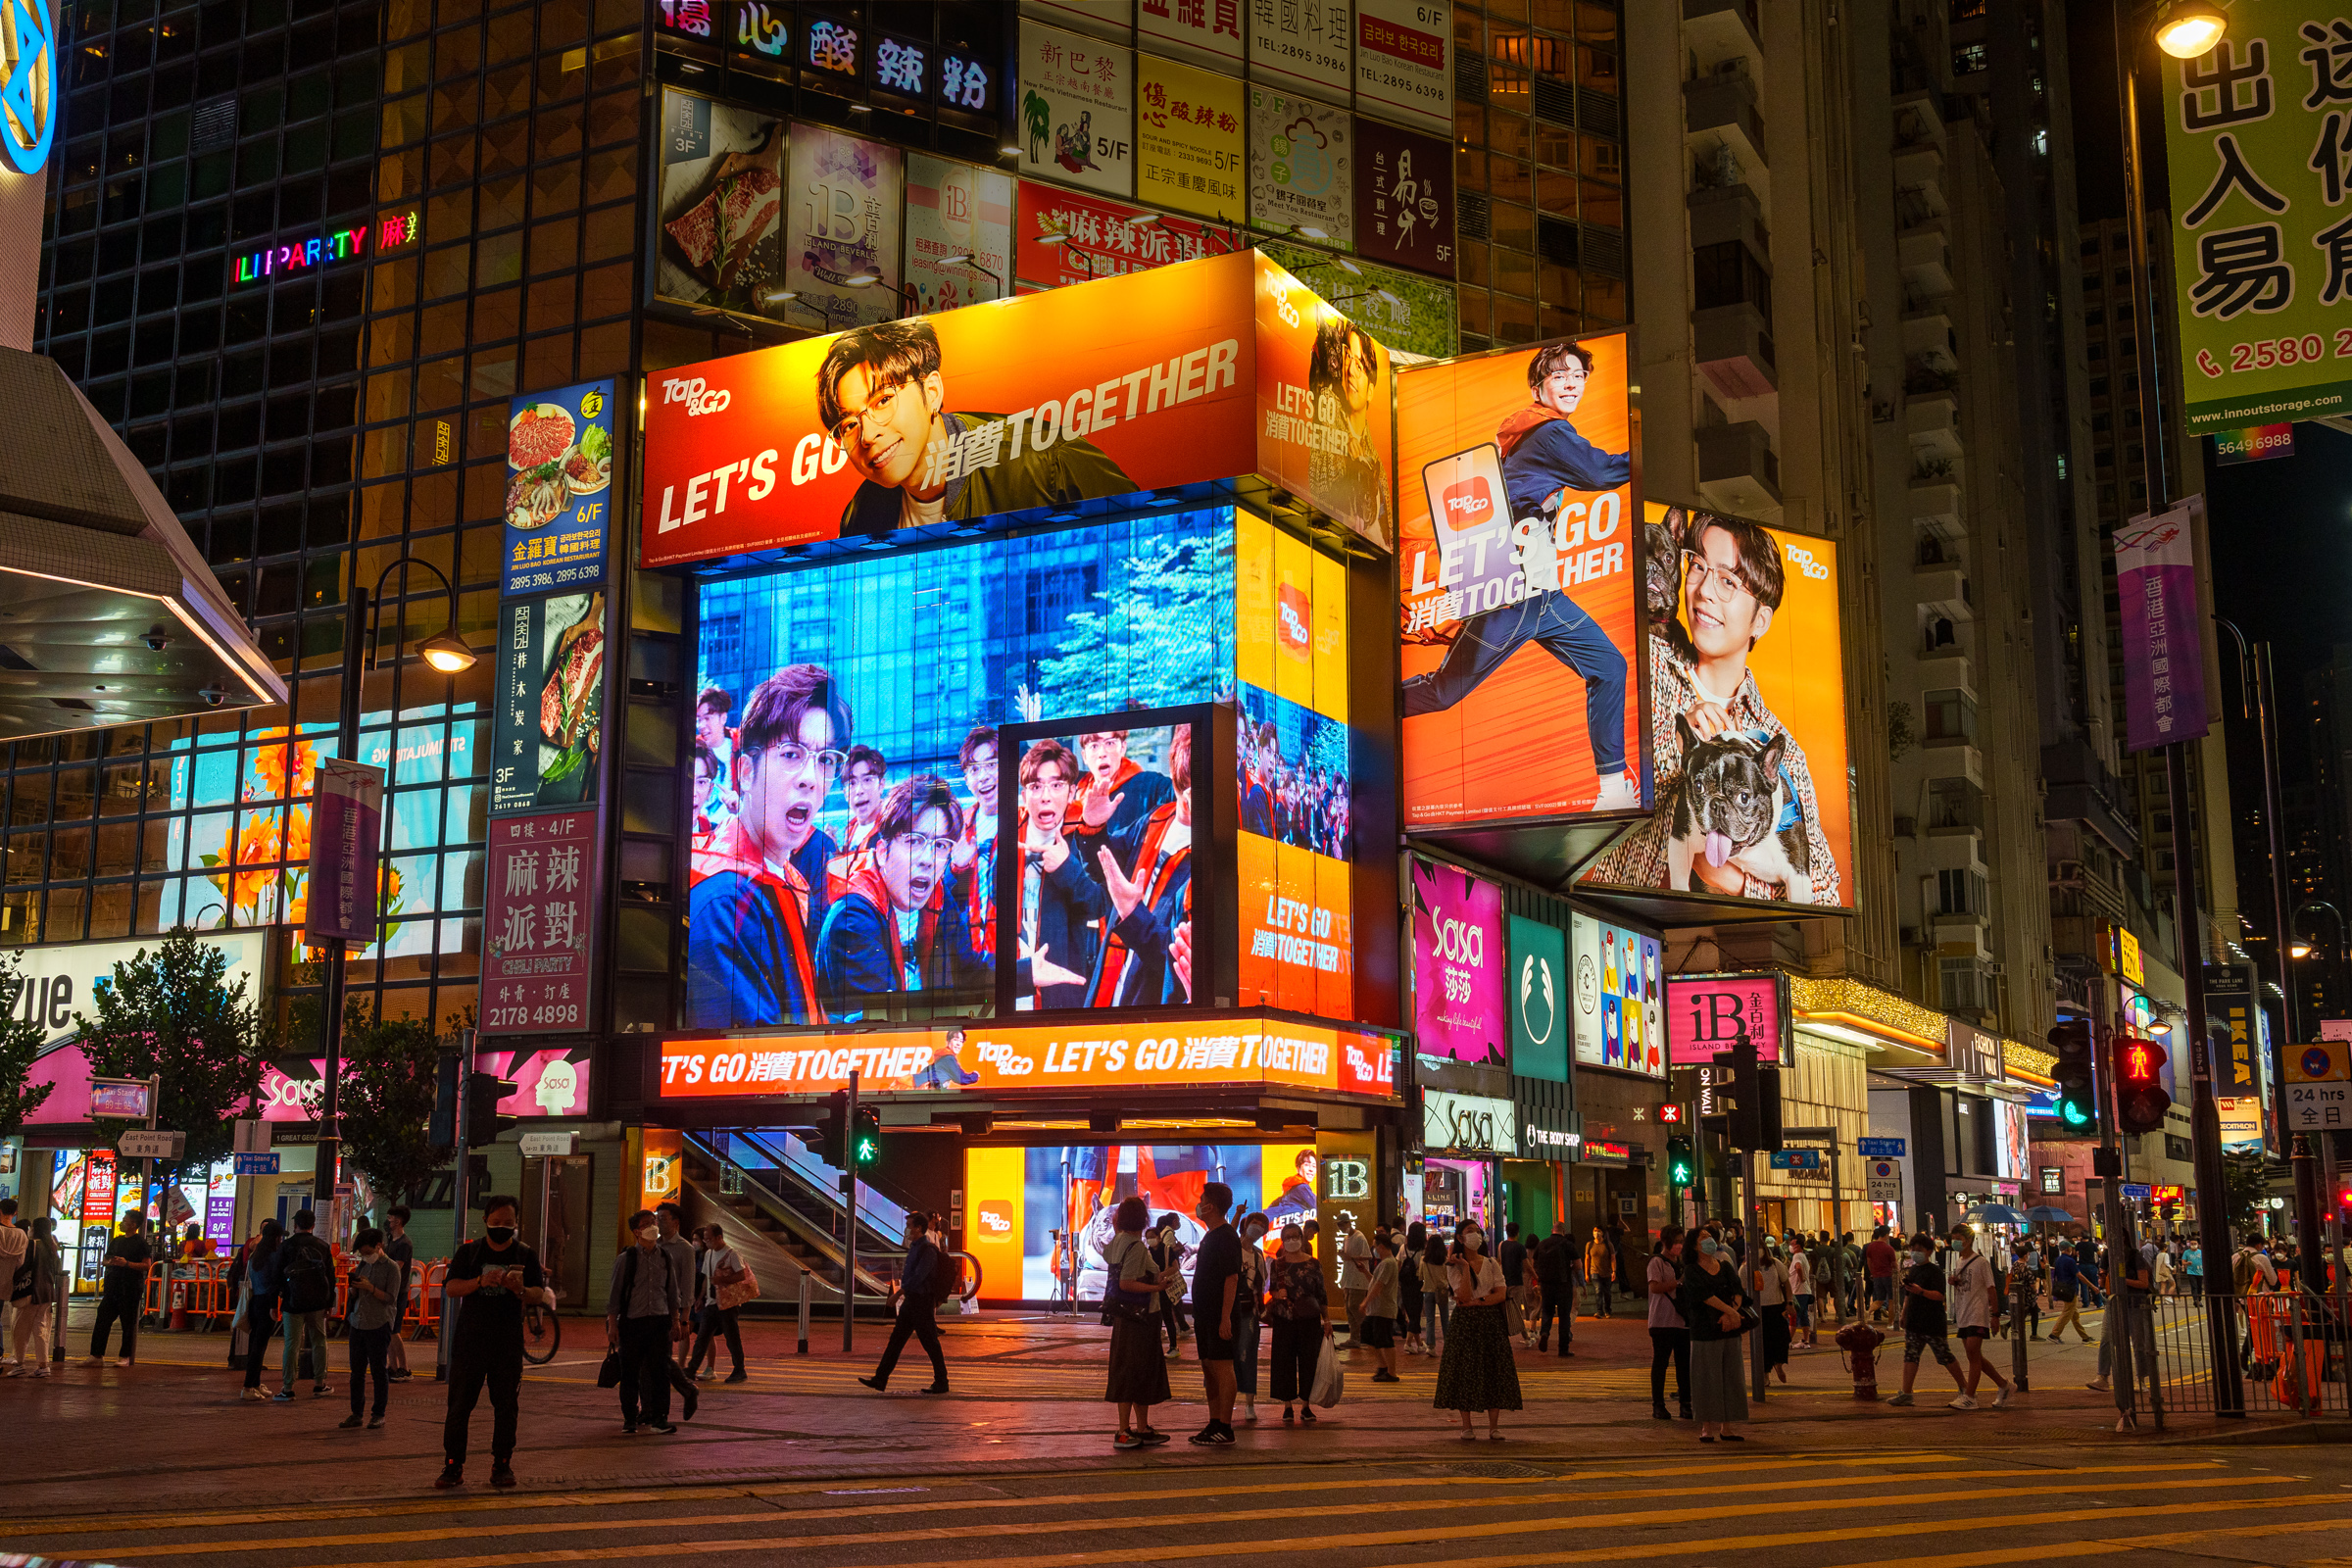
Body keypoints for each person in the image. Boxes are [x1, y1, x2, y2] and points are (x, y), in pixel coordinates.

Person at [1403, 342, 1638, 811]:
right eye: (1560, 376)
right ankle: (1364, 709)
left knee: (1609, 667)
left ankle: (1613, 790)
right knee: (1445, 691)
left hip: (1540, 596)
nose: (1571, 383)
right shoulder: (1549, 434)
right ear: (1539, 387)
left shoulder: (1534, 433)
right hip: (1511, 597)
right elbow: (1603, 471)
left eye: (1578, 376)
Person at [1587, 506, 1842, 902]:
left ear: (1760, 621)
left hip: (1716, 947)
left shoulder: (1775, 745)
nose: (1704, 591)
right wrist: (1677, 746)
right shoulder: (1635, 663)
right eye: (1698, 567)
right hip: (1600, 918)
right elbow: (1600, 785)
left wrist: (1733, 881)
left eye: (1727, 581)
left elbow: (1824, 891)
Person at [818, 316, 1134, 535]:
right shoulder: (861, 515)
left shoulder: (1043, 462)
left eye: (883, 401)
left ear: (931, 392)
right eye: (848, 425)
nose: (868, 435)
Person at [688, 665, 853, 1027]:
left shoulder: (785, 877)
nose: (811, 778)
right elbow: (752, 1065)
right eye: (792, 754)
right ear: (746, 772)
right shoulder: (725, 901)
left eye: (826, 760)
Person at [817, 774, 986, 1008]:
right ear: (882, 852)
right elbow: (876, 1021)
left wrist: (1029, 972)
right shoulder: (852, 918)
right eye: (914, 841)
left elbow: (968, 970)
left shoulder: (939, 898)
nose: (928, 860)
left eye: (940, 845)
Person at [440, 1196, 550, 1489]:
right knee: (460, 1406)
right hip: (470, 1343)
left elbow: (540, 1294)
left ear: (516, 1224)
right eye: (497, 1222)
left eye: (508, 1223)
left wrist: (521, 1290)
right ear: (486, 1220)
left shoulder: (525, 1253)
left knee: (506, 1406)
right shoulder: (469, 1252)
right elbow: (450, 1288)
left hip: (507, 1344)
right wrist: (480, 1282)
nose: (502, 1227)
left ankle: (502, 1464)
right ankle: (452, 1465)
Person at [1014, 739, 1109, 1008]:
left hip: (1059, 995)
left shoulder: (1085, 837)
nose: (1045, 796)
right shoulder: (1006, 839)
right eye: (1036, 786)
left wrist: (1067, 869)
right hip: (1008, 989)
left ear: (1071, 793)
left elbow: (1100, 905)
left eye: (1056, 785)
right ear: (1024, 795)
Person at [1433, 1219, 1521, 1441]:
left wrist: (1480, 1301)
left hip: (1491, 1323)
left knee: (1494, 1370)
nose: (1475, 1235)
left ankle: (1494, 1426)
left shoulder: (1491, 1263)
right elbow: (1462, 1297)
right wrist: (1465, 1268)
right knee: (1466, 1372)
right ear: (1460, 1238)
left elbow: (1501, 1293)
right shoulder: (1453, 1267)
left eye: (1477, 1231)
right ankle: (1466, 1425)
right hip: (1466, 1325)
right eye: (1469, 1231)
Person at [1100, 1196, 1172, 1448]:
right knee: (1136, 1372)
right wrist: (1157, 1287)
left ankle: (1139, 1428)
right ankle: (1125, 1430)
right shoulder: (1137, 1247)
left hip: (1124, 1317)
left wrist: (1162, 1276)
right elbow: (1126, 1283)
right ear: (1143, 1219)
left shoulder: (1116, 1242)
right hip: (1140, 1318)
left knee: (1130, 1371)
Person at [608, 1209, 685, 1435]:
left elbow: (672, 1291)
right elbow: (615, 1294)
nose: (653, 1226)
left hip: (660, 1322)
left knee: (660, 1371)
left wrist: (676, 1319)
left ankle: (660, 1418)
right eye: (647, 1224)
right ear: (636, 1231)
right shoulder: (626, 1259)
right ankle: (630, 1418)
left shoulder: (665, 1256)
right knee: (630, 1372)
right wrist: (612, 1324)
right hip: (632, 1323)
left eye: (654, 1222)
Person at [861, 1211, 951, 1395]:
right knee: (896, 1340)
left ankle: (942, 1381)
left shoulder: (927, 1249)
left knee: (930, 1343)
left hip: (922, 1302)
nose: (907, 1229)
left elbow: (919, 1276)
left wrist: (898, 1294)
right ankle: (880, 1378)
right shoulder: (916, 1247)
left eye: (910, 1226)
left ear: (918, 1228)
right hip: (912, 1303)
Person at [1186, 1182, 1243, 1446]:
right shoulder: (1211, 1235)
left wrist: (1225, 1318)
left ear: (1210, 1205)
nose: (1198, 1204)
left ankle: (1225, 1426)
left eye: (1201, 1199)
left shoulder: (1227, 1237)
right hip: (1204, 1316)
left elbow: (1231, 1278)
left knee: (1222, 1368)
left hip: (1220, 1316)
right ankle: (1213, 1422)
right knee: (1209, 1368)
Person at [1679, 1233, 1749, 1442]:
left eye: (1710, 1236)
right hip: (1705, 1331)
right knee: (1706, 1379)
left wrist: (1732, 1313)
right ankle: (1706, 1427)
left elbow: (1738, 1290)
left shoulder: (1725, 1266)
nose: (1709, 1240)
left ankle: (1726, 1427)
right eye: (1703, 1237)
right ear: (1694, 1246)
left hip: (1730, 1329)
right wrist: (1730, 1312)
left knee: (1731, 1377)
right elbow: (1704, 1297)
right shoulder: (1691, 1271)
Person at [1886, 1234, 1967, 1407]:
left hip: (1932, 1322)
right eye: (1912, 1250)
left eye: (1919, 1250)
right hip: (1914, 1320)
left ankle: (1965, 1388)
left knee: (1944, 1355)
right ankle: (1906, 1393)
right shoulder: (1913, 1270)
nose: (1915, 1253)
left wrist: (1921, 1291)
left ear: (1929, 1251)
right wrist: (1904, 1314)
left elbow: (1939, 1296)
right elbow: (1908, 1295)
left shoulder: (1935, 1271)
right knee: (1910, 1355)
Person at [1266, 1221, 1331, 1425]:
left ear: (1302, 1239)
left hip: (1309, 1320)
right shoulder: (1278, 1264)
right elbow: (1272, 1290)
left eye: (1296, 1236)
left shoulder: (1313, 1264)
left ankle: (1306, 1405)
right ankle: (1287, 1406)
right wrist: (1277, 1293)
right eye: (1288, 1237)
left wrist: (1327, 1319)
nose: (1292, 1240)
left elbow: (1321, 1293)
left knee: (1309, 1361)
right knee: (1283, 1361)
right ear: (1283, 1241)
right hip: (1284, 1319)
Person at [340, 1226, 401, 1430]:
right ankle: (356, 1413)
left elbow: (391, 1299)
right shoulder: (362, 1265)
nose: (365, 1256)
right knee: (356, 1371)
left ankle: (378, 1414)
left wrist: (371, 1288)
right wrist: (353, 1290)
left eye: (368, 1252)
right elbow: (355, 1294)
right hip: (358, 1321)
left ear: (379, 1246)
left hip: (379, 1323)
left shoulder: (391, 1268)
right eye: (362, 1254)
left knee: (378, 1371)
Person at [1946, 1226, 2013, 1410]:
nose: (1955, 1242)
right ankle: (2003, 1385)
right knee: (1974, 1356)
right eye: (1953, 1238)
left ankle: (1970, 1396)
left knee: (1973, 1355)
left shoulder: (1981, 1262)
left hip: (1977, 1313)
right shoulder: (1960, 1261)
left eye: (1958, 1238)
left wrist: (1995, 1315)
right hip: (1963, 1314)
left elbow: (1991, 1288)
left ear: (1968, 1239)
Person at [653, 1202, 703, 1421]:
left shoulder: (684, 1249)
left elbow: (687, 1285)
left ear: (676, 1222)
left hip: (669, 1311)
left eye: (663, 1218)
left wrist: (683, 1319)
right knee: (652, 1359)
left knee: (659, 1358)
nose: (659, 1221)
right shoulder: (652, 1244)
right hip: (650, 1308)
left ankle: (682, 1391)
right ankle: (682, 1391)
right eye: (657, 1217)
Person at [85, 1213, 155, 1369]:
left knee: (128, 1323)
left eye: (125, 1220)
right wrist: (110, 1262)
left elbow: (146, 1265)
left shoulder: (141, 1243)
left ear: (133, 1224)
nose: (122, 1223)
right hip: (112, 1287)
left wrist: (127, 1263)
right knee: (102, 1319)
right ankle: (96, 1355)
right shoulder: (116, 1241)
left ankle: (125, 1356)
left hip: (130, 1288)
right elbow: (105, 1259)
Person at [689, 1223, 750, 1383]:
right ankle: (691, 1369)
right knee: (702, 1337)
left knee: (732, 1338)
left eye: (709, 1239)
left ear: (719, 1237)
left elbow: (741, 1275)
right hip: (711, 1303)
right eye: (705, 1239)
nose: (706, 1242)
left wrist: (722, 1279)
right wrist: (701, 1298)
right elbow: (706, 1279)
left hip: (728, 1304)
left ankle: (739, 1370)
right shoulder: (708, 1254)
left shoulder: (732, 1254)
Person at [1646, 1225, 1690, 1420]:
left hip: (1682, 1321)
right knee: (1661, 1364)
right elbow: (1654, 1287)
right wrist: (1678, 1282)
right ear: (1666, 1242)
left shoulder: (1682, 1262)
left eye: (1682, 1241)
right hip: (1662, 1321)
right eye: (1677, 1242)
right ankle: (1658, 1405)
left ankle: (1686, 1404)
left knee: (1684, 1365)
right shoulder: (1657, 1262)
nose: (1679, 1245)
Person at [238, 1218, 284, 1401]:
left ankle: (255, 1384)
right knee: (260, 1346)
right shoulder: (273, 1257)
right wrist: (275, 1307)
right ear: (276, 1238)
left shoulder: (255, 1256)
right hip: (266, 1302)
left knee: (256, 1344)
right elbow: (274, 1284)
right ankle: (248, 1386)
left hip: (255, 1301)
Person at [7, 1217, 60, 1376]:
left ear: (35, 1228)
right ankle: (43, 1366)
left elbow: (24, 1267)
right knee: (41, 1329)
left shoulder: (32, 1244)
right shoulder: (51, 1246)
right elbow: (57, 1268)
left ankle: (20, 1363)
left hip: (31, 1291)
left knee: (20, 1329)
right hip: (47, 1293)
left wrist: (11, 1278)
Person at [1234, 1212, 1269, 1421]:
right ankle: (1224, 1401)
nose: (1257, 1227)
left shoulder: (1258, 1255)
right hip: (1229, 1310)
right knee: (1227, 1357)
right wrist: (1237, 1214)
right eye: (1254, 1223)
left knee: (1248, 1357)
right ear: (1245, 1224)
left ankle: (1249, 1403)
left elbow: (1261, 1283)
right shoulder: (1231, 1248)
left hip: (1249, 1313)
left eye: (1261, 1225)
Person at [1360, 1230, 1403, 1383]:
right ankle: (1382, 1366)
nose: (1374, 1250)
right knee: (1370, 1337)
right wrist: (1365, 1271)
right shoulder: (1383, 1264)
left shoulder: (1388, 1263)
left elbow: (1378, 1286)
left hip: (1383, 1310)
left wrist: (1365, 1302)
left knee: (1385, 1340)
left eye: (1374, 1247)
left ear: (1381, 1246)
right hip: (1376, 1310)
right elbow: (1374, 1281)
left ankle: (1392, 1372)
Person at [383, 1204, 416, 1383]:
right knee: (389, 1329)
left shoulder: (404, 1243)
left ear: (399, 1220)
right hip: (392, 1291)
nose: (388, 1220)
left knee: (394, 1329)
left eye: (391, 1217)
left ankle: (404, 1368)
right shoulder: (391, 1241)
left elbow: (396, 1267)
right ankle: (393, 1366)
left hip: (399, 1291)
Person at [1148, 1213, 1189, 1355]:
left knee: (1167, 1316)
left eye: (1152, 1236)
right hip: (1152, 1289)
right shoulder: (1147, 1252)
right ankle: (1155, 1347)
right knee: (1154, 1317)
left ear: (1159, 1237)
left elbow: (1174, 1267)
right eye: (1148, 1237)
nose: (1150, 1240)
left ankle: (1173, 1346)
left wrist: (1161, 1275)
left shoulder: (1166, 1249)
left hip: (1164, 1287)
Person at [1751, 1243, 1791, 1384]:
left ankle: (1778, 1365)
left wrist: (1789, 1302)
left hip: (1776, 1307)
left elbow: (1786, 1283)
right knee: (1763, 1342)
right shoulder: (1747, 1267)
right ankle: (1765, 1373)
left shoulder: (1775, 1264)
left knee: (1782, 1338)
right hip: (1758, 1309)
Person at [1535, 1224, 1575, 1356]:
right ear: (1563, 1231)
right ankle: (1563, 1349)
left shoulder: (1542, 1244)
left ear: (1552, 1230)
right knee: (1564, 1317)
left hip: (1546, 1285)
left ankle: (1545, 1333)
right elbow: (1579, 1264)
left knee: (1547, 1312)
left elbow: (1535, 1262)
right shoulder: (1567, 1244)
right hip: (1563, 1284)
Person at [839, 744, 888, 851]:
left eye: (867, 780)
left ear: (881, 786)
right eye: (852, 783)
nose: (859, 790)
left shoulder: (892, 830)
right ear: (845, 794)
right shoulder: (850, 829)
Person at [1338, 1212, 1372, 1348]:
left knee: (1355, 1306)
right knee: (1348, 1307)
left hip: (1358, 1278)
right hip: (1348, 1278)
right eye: (1339, 1225)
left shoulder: (1359, 1237)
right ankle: (1354, 1337)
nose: (1341, 1227)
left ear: (1348, 1223)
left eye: (1342, 1224)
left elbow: (1367, 1256)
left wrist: (1350, 1257)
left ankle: (1365, 1334)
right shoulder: (1346, 1238)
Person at [1497, 1221, 1530, 1347]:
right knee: (1516, 1311)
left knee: (1505, 1310)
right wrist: (1536, 1276)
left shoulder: (1502, 1245)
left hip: (1504, 1283)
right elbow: (1526, 1265)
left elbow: (1499, 1262)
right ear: (1517, 1232)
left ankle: (1504, 1336)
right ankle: (1526, 1337)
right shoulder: (1520, 1247)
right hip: (1517, 1282)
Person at [1419, 1229, 1451, 1350]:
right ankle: (1448, 1344)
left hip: (1428, 1290)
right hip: (1442, 1290)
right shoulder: (1445, 1259)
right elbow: (1448, 1276)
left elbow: (1420, 1276)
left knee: (1430, 1320)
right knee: (1445, 1319)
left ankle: (1431, 1345)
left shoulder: (1424, 1260)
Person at [1396, 1220, 1425, 1355]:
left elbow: (1398, 1265)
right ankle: (1408, 1344)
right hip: (1418, 1283)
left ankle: (1419, 1343)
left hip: (1405, 1284)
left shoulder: (1403, 1248)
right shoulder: (1424, 1249)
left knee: (1412, 1313)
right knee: (1415, 1314)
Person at [1863, 1226, 1898, 1323]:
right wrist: (1899, 1274)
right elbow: (1894, 1264)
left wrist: (1873, 1273)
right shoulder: (1889, 1248)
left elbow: (1869, 1262)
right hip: (1888, 1275)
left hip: (1877, 1276)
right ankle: (1891, 1323)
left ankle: (1868, 1311)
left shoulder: (1870, 1247)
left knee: (1879, 1300)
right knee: (1892, 1300)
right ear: (1886, 1235)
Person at [1788, 1241, 1817, 1349]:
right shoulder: (1803, 1256)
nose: (1790, 1246)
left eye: (1792, 1244)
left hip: (1798, 1291)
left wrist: (1801, 1278)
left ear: (1798, 1246)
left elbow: (1798, 1267)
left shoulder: (1797, 1256)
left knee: (1793, 1315)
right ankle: (1805, 1341)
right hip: (1804, 1291)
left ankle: (1788, 1340)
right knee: (1804, 1315)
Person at [1584, 1226, 1616, 1318]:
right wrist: (1586, 1273)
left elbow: (1613, 1258)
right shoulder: (1589, 1245)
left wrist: (1614, 1271)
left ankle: (1608, 1310)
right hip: (1594, 1271)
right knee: (1598, 1290)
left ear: (1602, 1233)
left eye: (1598, 1231)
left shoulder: (1608, 1244)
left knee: (1607, 1292)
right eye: (1594, 1231)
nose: (1596, 1233)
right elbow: (1587, 1259)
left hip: (1607, 1272)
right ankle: (1599, 1311)